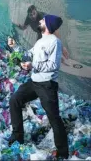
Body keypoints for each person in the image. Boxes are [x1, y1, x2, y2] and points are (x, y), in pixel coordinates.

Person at [7, 14, 69, 159]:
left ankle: (63, 154)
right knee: (15, 100)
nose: (39, 21)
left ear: (47, 25)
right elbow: (28, 55)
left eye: (42, 20)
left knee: (54, 118)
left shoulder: (55, 42)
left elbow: (54, 65)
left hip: (47, 85)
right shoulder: (41, 41)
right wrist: (15, 47)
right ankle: (17, 137)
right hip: (34, 82)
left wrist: (33, 65)